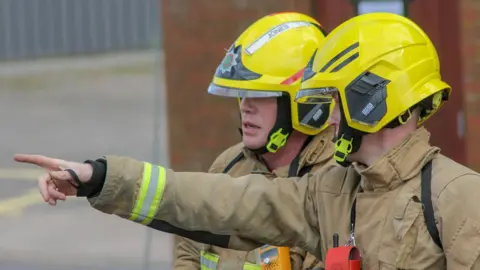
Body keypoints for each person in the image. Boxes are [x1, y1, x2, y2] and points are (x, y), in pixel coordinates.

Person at [14, 12, 480, 269]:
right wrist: (100, 178)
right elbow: (215, 202)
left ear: (375, 100)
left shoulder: (455, 198)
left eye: (337, 99)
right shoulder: (332, 193)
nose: (328, 114)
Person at [173, 12, 333, 270]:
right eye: (242, 94)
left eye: (261, 95)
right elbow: (190, 247)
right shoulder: (228, 165)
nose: (246, 106)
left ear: (304, 101)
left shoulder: (332, 185)